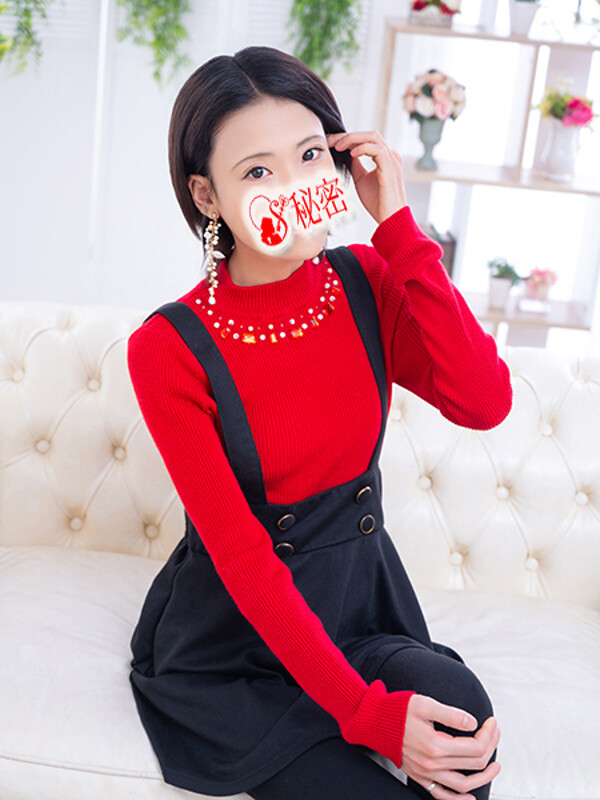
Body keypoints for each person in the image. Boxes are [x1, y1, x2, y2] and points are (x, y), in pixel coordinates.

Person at [127, 45, 511, 800]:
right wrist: (369, 717)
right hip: (234, 644)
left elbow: (483, 399)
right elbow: (243, 559)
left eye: (309, 156)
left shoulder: (366, 280)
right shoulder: (168, 348)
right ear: (207, 195)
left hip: (359, 613)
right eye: (258, 172)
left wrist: (397, 224)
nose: (297, 187)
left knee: (464, 727)